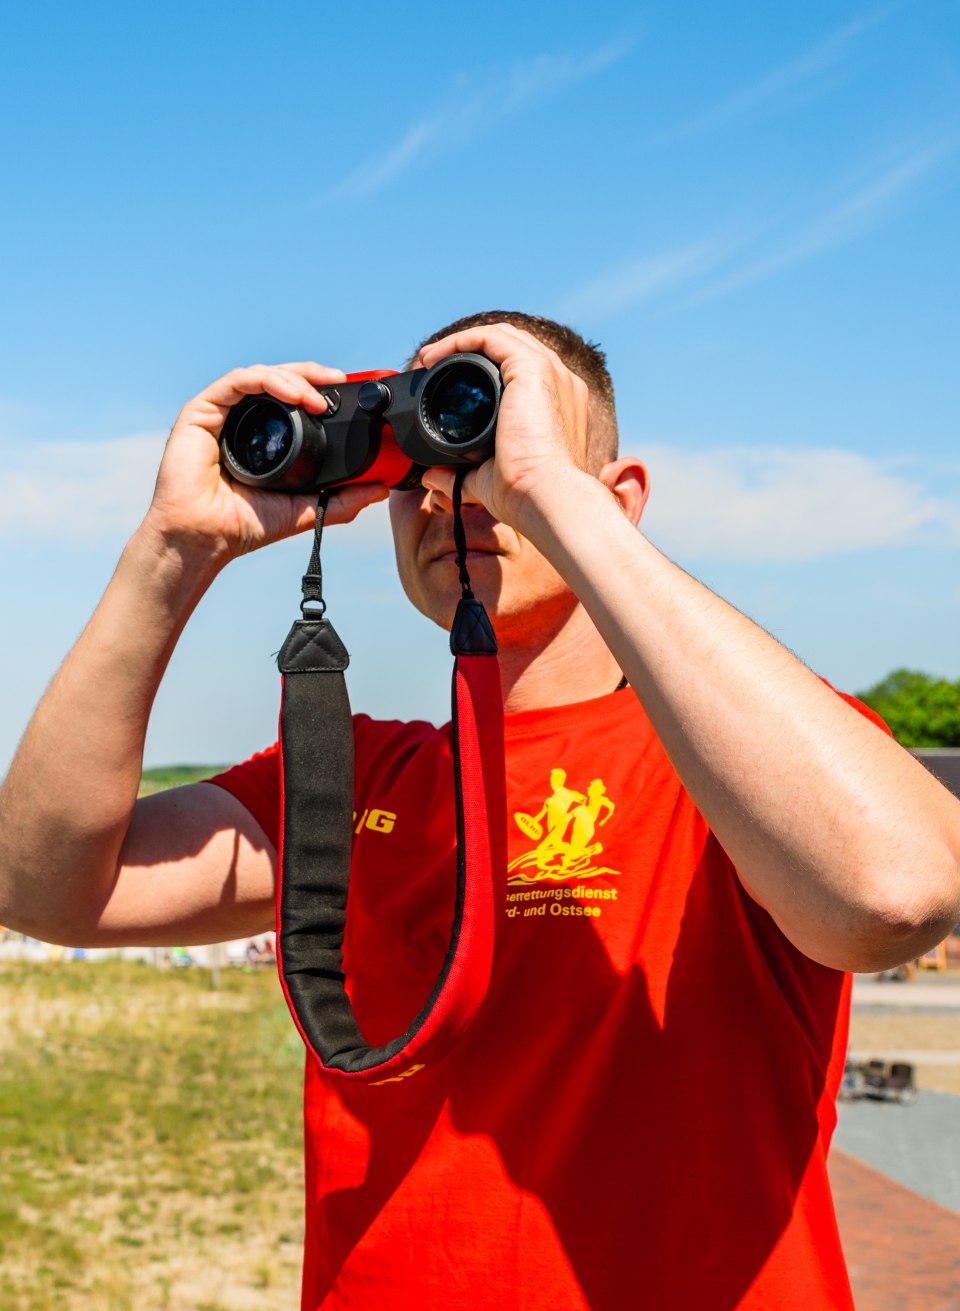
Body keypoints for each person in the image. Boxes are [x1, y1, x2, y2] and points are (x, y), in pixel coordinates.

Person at [1, 311, 958, 1309]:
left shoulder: (742, 766)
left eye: (500, 437)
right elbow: (42, 890)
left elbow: (893, 893)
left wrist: (549, 493)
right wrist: (171, 549)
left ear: (618, 498)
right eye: (425, 459)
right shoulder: (356, 781)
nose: (456, 492)